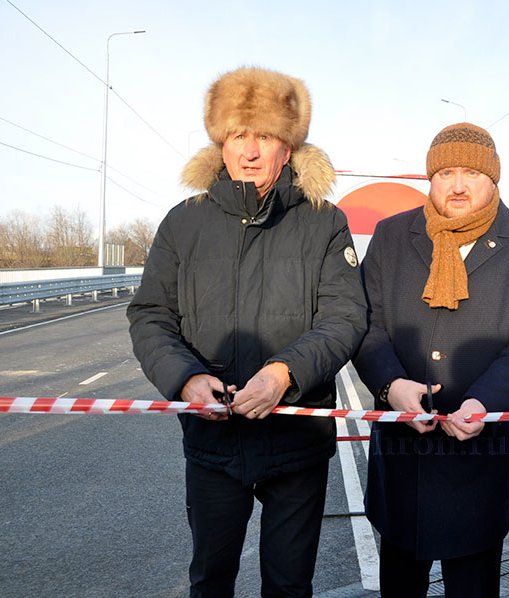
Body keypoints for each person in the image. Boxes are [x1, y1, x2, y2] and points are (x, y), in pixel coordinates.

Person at [127, 67, 367, 598]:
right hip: (213, 444)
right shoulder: (182, 222)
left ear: (289, 147)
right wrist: (186, 380)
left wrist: (284, 374)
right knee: (210, 580)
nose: (251, 151)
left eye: (265, 136)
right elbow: (150, 316)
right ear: (221, 142)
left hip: (296, 444)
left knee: (288, 584)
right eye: (239, 135)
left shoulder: (324, 221)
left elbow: (345, 316)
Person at [353, 122, 509, 597]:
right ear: (430, 179)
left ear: (494, 178)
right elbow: (366, 325)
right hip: (403, 455)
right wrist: (391, 388)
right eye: (446, 172)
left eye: (471, 172)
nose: (459, 184)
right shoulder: (390, 237)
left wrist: (484, 403)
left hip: (477, 457)